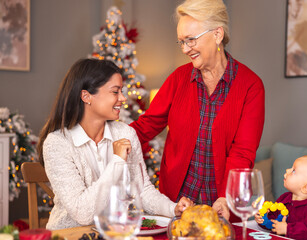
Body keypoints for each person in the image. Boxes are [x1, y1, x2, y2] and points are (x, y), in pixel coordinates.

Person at [130, 0, 265, 221]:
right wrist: (104, 136)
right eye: (181, 42)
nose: (185, 49)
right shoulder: (178, 79)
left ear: (217, 34)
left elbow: (242, 152)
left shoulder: (250, 86)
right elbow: (147, 125)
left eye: (191, 40)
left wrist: (226, 198)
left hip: (219, 206)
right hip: (177, 203)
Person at [37, 58, 193, 230]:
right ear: (86, 96)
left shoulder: (125, 133)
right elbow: (82, 214)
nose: (123, 98)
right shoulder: (57, 144)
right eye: (115, 92)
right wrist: (117, 161)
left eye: (122, 91)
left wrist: (173, 209)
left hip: (116, 233)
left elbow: (142, 191)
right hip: (70, 234)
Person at [254, 155, 307, 239]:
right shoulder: (284, 198)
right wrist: (263, 219)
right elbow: (273, 223)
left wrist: (287, 229)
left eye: (293, 171)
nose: (287, 170)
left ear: (305, 188)